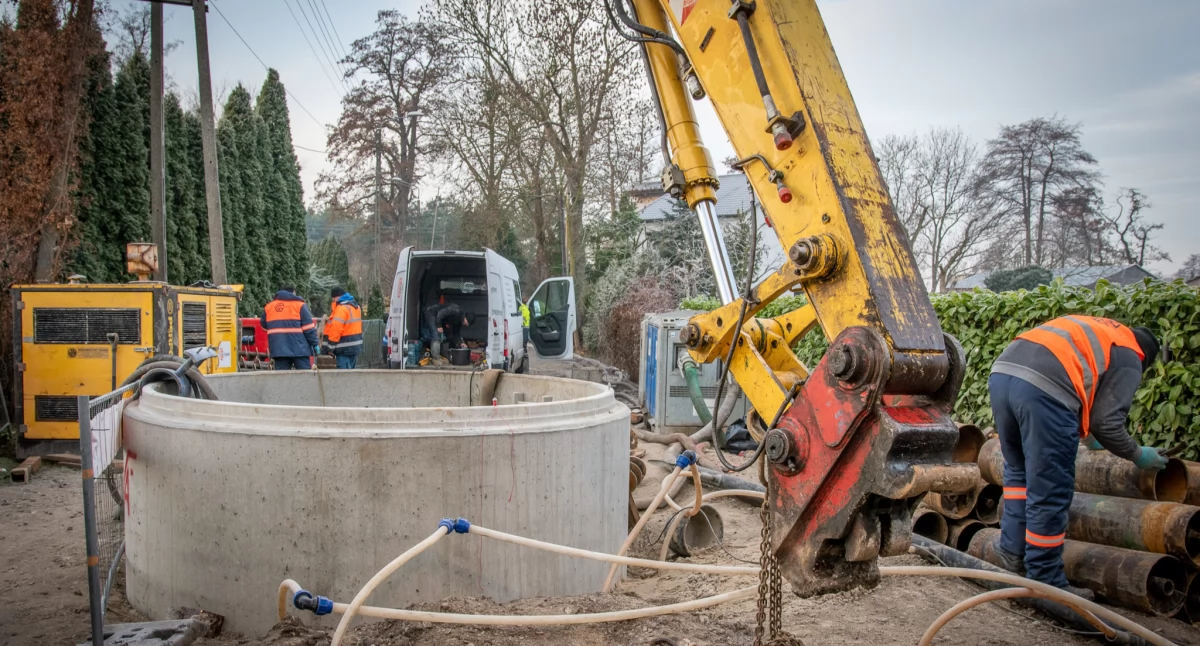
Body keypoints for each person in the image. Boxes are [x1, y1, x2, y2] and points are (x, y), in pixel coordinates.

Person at [988, 315, 1167, 594]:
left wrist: (1090, 438)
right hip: (1043, 390)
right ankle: (1045, 578)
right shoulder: (1131, 356)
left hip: (1002, 375)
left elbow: (1085, 387)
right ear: (1147, 359)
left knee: (1019, 471)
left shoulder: (1106, 332)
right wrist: (1138, 454)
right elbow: (1106, 421)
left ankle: (1012, 553)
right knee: (1050, 488)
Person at [262, 285, 319, 370]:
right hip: (300, 350)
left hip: (279, 350)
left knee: (282, 379)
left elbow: (264, 326)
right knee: (305, 378)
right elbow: (308, 328)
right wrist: (315, 344)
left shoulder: (269, 307)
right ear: (293, 293)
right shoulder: (300, 305)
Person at [322, 287, 363, 369]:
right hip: (355, 346)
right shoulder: (356, 307)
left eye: (333, 298)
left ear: (337, 297)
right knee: (351, 375)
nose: (333, 301)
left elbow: (336, 329)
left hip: (344, 348)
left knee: (343, 377)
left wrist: (330, 347)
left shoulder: (341, 308)